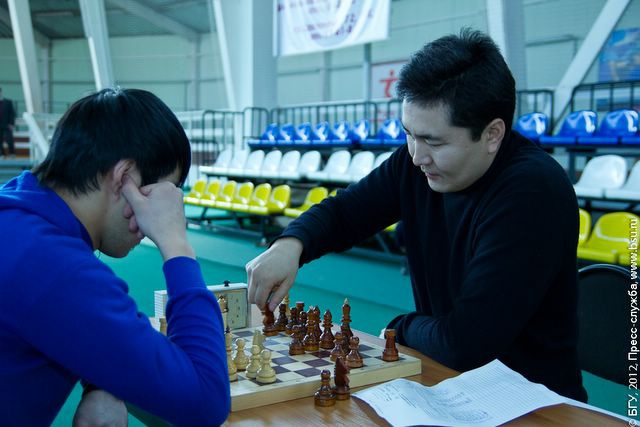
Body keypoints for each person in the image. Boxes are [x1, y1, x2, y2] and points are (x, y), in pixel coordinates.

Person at [246, 29, 587, 402]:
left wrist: (401, 327)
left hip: (532, 402)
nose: (416, 155)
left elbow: (465, 343)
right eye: (409, 134)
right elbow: (347, 211)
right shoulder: (417, 164)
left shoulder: (533, 191)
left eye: (433, 141)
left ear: (492, 134)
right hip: (449, 384)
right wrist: (290, 244)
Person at [0, 88, 230, 426]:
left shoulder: (17, 211)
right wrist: (176, 244)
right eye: (161, 195)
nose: (162, 214)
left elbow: (61, 318)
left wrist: (100, 382)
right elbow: (206, 400)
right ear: (124, 178)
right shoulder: (56, 267)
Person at [0, 87, 16, 158]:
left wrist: (12, 124)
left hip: (7, 124)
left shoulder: (8, 102)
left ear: (1, 92)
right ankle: (1, 154)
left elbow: (12, 113)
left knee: (9, 139)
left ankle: (12, 153)